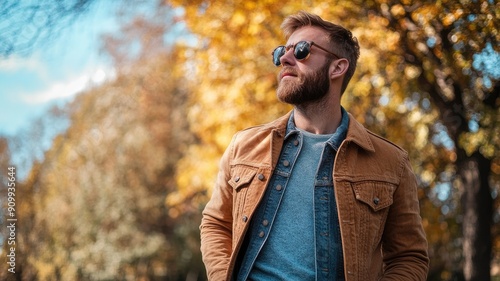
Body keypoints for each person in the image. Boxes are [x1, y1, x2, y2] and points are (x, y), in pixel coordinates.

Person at [200, 11, 429, 281]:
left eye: (301, 50)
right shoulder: (244, 146)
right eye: (281, 52)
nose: (284, 59)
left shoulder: (391, 162)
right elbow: (215, 224)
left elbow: (409, 257)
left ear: (337, 68)